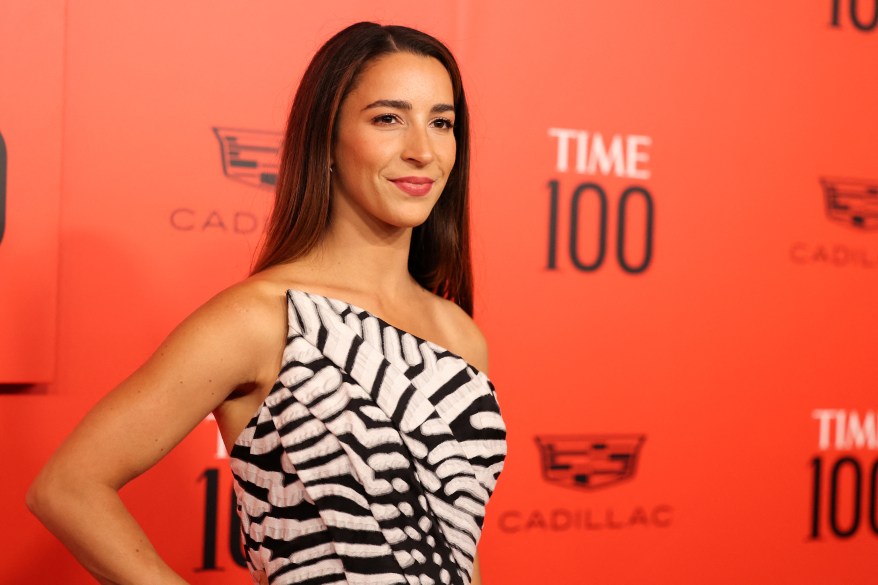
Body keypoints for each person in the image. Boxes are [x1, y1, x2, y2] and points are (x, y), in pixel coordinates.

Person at [27, 21, 507, 585]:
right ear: (326, 137)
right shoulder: (264, 319)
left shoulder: (458, 333)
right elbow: (67, 488)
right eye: (388, 118)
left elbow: (456, 540)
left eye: (442, 123)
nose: (423, 150)